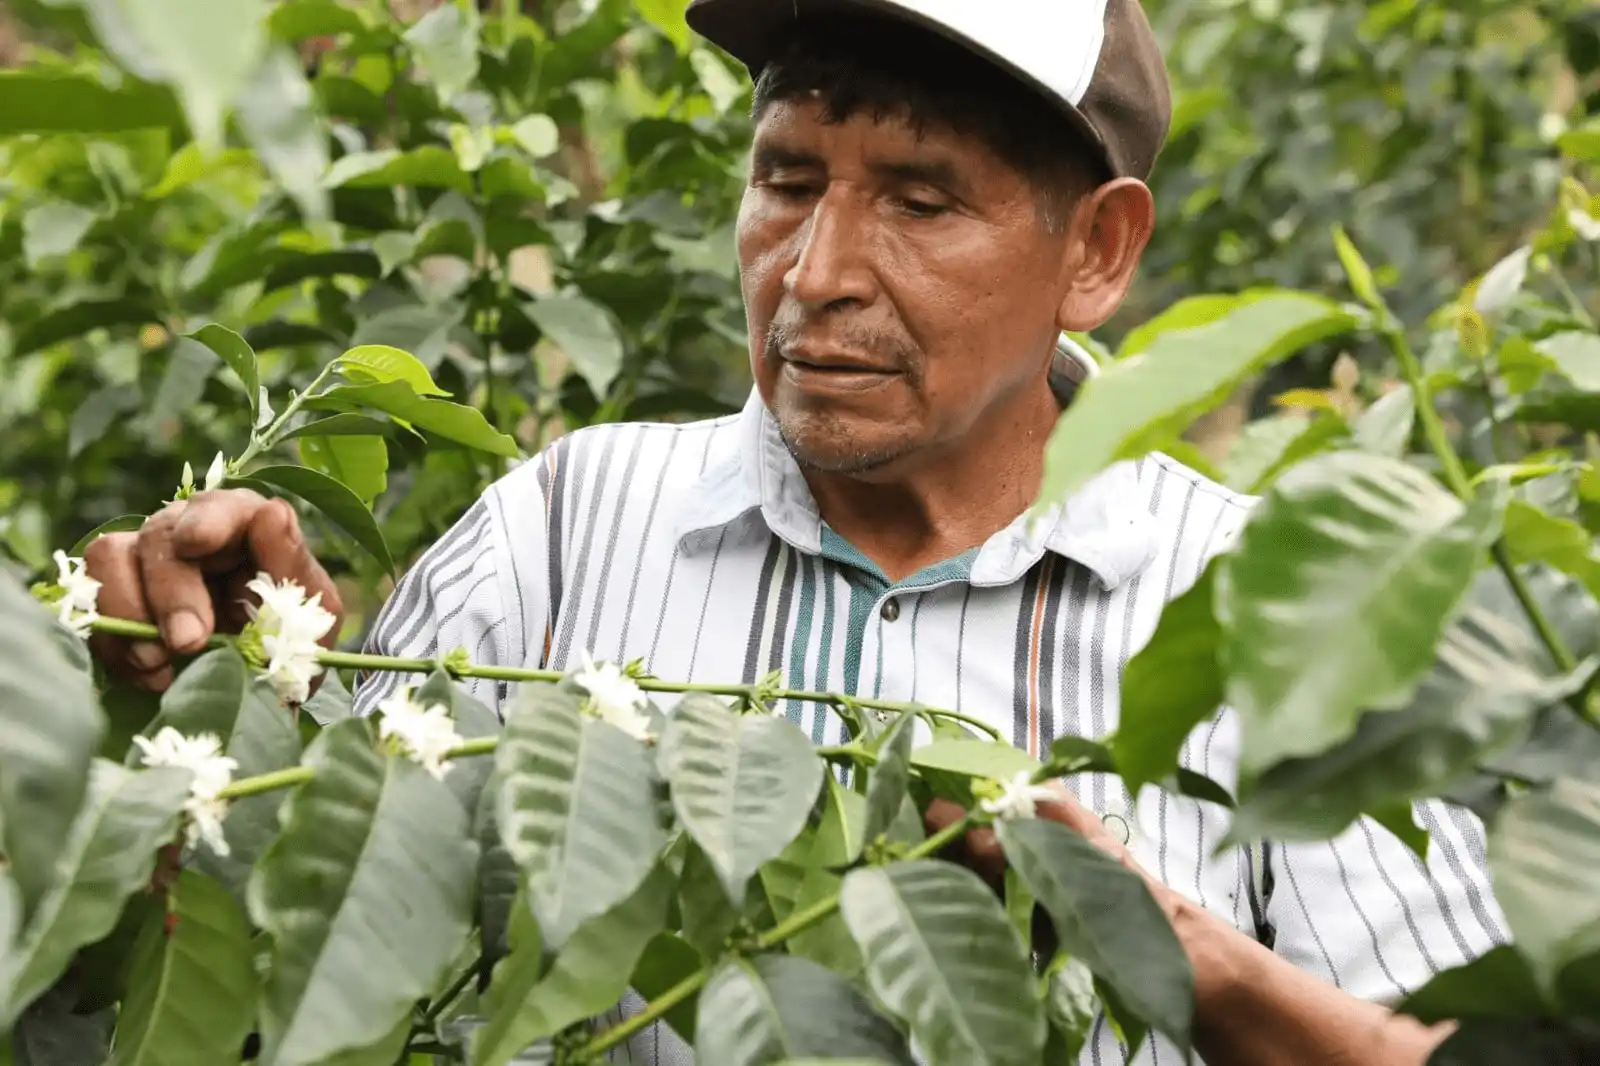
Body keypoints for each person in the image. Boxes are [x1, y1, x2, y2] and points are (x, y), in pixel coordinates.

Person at [82, 1, 1506, 1063]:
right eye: (787, 181)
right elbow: (315, 937)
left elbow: (1434, 1041)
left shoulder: (1279, 613)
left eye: (919, 197)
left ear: (1098, 252)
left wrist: (1170, 947)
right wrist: (238, 681)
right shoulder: (564, 531)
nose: (815, 276)